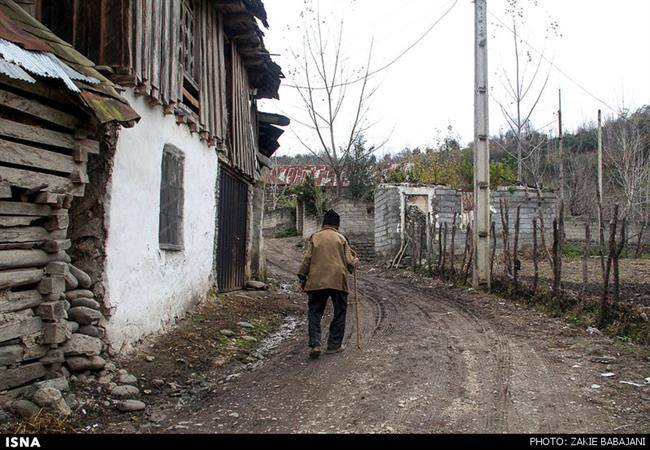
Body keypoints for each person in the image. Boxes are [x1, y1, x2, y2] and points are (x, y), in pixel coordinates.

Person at [298, 209, 359, 359]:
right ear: (337, 225)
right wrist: (355, 262)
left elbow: (307, 259)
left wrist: (302, 278)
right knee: (340, 311)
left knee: (315, 312)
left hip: (316, 282)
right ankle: (333, 345)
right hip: (338, 281)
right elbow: (350, 262)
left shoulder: (315, 237)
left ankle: (316, 343)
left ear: (323, 224)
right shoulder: (341, 239)